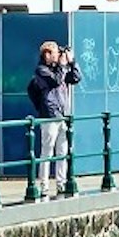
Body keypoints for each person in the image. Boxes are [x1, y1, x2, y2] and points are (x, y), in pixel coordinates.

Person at [28, 39, 76, 188]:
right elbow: (56, 81)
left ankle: (61, 183)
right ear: (47, 54)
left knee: (62, 151)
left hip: (63, 114)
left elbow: (76, 78)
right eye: (55, 53)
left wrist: (72, 62)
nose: (57, 55)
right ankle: (44, 184)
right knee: (47, 151)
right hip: (49, 115)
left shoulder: (59, 69)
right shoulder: (41, 70)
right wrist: (62, 65)